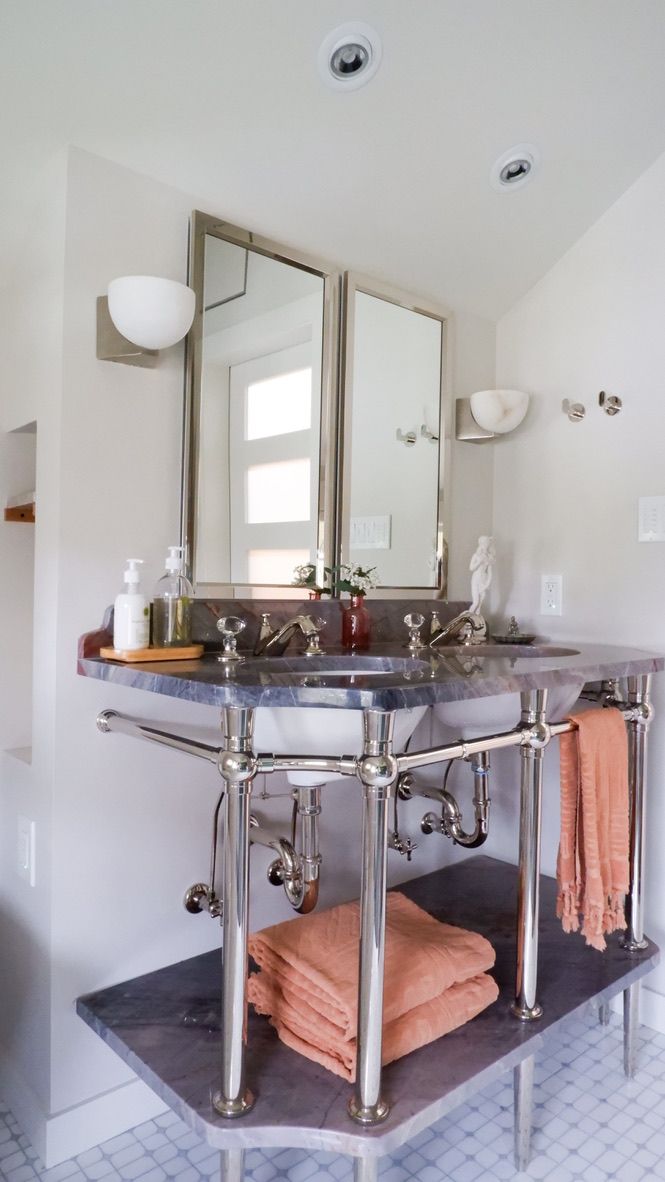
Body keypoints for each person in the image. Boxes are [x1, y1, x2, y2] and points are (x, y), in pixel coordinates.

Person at [469, 535, 496, 614]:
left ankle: (477, 622)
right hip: (476, 578)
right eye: (484, 544)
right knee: (476, 602)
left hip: (483, 579)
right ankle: (466, 620)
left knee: (480, 604)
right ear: (481, 544)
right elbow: (471, 568)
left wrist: (487, 583)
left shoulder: (489, 557)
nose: (486, 546)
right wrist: (479, 562)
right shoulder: (476, 555)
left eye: (487, 544)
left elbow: (490, 572)